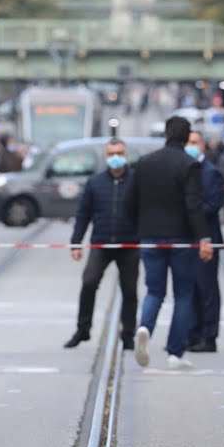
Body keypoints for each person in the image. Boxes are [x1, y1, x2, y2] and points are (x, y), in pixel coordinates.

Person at [125, 116, 214, 370]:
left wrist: (139, 230)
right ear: (187, 138)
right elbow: (194, 206)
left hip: (150, 237)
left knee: (154, 291)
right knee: (183, 294)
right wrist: (203, 238)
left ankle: (145, 327)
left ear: (165, 134)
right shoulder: (189, 165)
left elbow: (129, 202)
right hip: (182, 240)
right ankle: (175, 352)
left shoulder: (144, 163)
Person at [65, 138, 139, 350]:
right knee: (89, 283)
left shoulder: (135, 182)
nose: (116, 157)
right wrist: (76, 242)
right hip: (101, 244)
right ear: (106, 157)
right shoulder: (95, 182)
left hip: (129, 245)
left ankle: (128, 334)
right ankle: (83, 329)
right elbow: (83, 214)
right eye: (111, 154)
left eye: (119, 153)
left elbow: (145, 212)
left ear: (126, 156)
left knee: (130, 291)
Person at [186, 131, 224, 353]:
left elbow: (213, 205)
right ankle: (192, 334)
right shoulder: (185, 169)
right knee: (190, 288)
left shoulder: (210, 172)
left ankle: (209, 336)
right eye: (188, 143)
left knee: (206, 288)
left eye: (194, 143)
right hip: (188, 240)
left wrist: (190, 213)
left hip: (207, 239)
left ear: (203, 146)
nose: (190, 146)